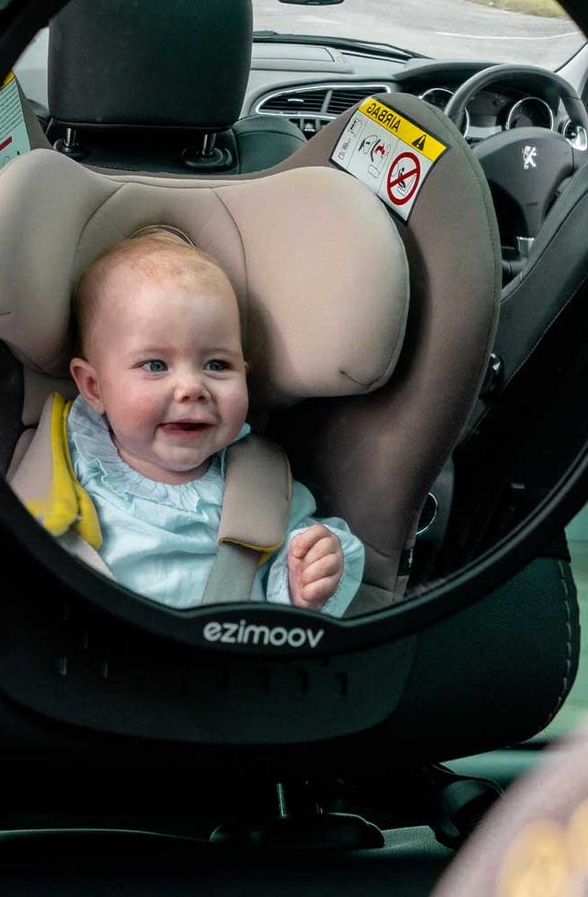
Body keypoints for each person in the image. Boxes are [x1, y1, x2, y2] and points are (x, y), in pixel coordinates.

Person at [30, 228, 364, 614]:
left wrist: (305, 578)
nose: (192, 388)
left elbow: (298, 563)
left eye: (217, 365)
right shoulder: (67, 462)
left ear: (245, 373)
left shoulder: (259, 482)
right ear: (94, 387)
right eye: (155, 365)